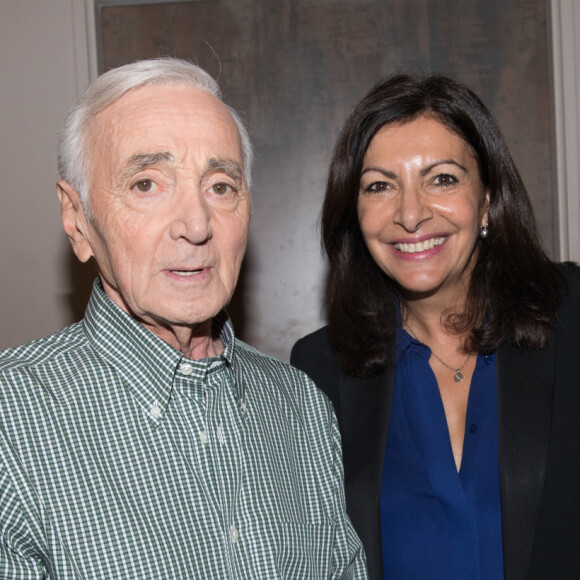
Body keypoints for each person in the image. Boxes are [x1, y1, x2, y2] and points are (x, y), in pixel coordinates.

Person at [0, 58, 367, 579]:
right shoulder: (11, 424)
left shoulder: (301, 408)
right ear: (77, 219)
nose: (197, 224)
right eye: (147, 184)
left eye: (220, 186)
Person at [291, 73, 580, 580]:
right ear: (355, 214)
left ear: (487, 198)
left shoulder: (573, 317)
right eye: (380, 186)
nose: (410, 213)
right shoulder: (318, 370)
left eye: (442, 178)